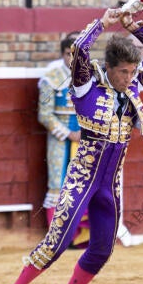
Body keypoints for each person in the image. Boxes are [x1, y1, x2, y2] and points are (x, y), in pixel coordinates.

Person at [0, 7, 143, 284]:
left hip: (110, 185)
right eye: (124, 72)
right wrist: (103, 23)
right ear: (109, 68)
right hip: (82, 179)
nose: (131, 78)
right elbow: (80, 50)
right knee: (57, 244)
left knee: (103, 249)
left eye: (133, 71)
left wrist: (134, 26)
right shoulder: (85, 86)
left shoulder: (133, 88)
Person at [38, 37, 90, 250]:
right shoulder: (51, 78)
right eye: (70, 54)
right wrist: (69, 134)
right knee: (58, 184)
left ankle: (82, 237)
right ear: (63, 54)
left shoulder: (90, 78)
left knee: (85, 184)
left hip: (85, 139)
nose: (74, 58)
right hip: (60, 141)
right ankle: (59, 238)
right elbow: (44, 114)